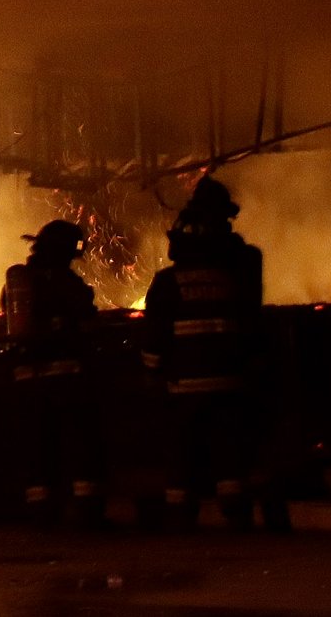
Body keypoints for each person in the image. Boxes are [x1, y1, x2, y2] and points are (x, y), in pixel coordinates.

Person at [140, 174, 278, 531]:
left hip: (185, 385)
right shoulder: (235, 268)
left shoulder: (170, 282)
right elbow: (248, 316)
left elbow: (156, 335)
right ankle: (238, 511)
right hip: (231, 378)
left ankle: (179, 515)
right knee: (232, 449)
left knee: (181, 452)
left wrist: (152, 370)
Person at [1, 219, 103, 528]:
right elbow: (85, 321)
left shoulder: (18, 281)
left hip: (26, 379)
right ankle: (85, 512)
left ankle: (41, 512)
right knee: (77, 443)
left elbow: (8, 312)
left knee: (37, 445)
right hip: (65, 378)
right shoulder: (67, 282)